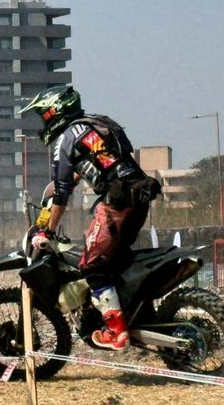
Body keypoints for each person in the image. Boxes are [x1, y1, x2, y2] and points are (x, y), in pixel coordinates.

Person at [19, 86, 161, 351]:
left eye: (44, 114)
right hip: (138, 196)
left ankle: (116, 332)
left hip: (117, 202)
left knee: (92, 266)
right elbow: (97, 166)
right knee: (115, 261)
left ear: (55, 111)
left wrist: (46, 231)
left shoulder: (66, 138)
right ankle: (139, 314)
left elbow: (61, 193)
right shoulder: (96, 124)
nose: (44, 120)